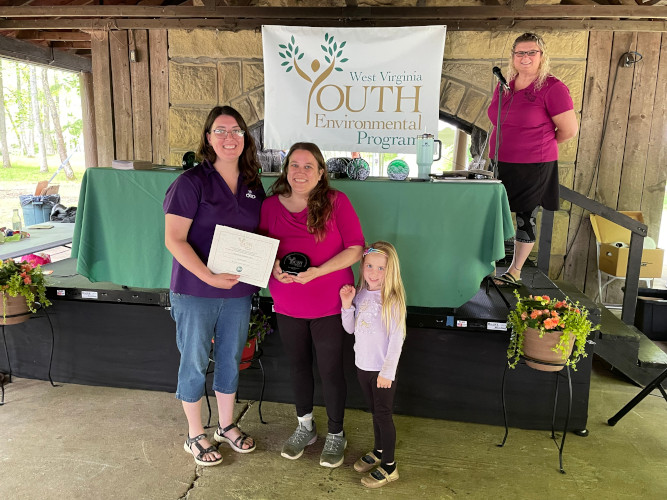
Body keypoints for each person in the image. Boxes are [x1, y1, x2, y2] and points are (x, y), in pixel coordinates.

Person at [163, 105, 265, 467]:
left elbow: (261, 237)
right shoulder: (190, 183)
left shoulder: (254, 185)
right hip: (196, 291)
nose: (229, 137)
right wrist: (208, 275)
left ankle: (225, 425)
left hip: (237, 293)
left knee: (229, 360)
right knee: (192, 361)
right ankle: (194, 434)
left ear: (245, 138)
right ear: (208, 138)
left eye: (236, 131)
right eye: (220, 130)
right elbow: (174, 239)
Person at [259, 142, 364, 468]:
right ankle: (306, 426)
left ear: (321, 173)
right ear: (285, 169)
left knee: (331, 370)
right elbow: (262, 248)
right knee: (298, 367)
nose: (300, 172)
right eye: (294, 165)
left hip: (330, 302)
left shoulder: (337, 202)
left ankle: (336, 432)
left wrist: (318, 271)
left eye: (308, 166)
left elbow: (356, 249)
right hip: (288, 302)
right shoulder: (270, 206)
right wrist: (273, 265)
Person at [487, 32, 579, 286]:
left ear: (542, 56)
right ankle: (488, 267)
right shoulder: (504, 85)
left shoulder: (553, 88)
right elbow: (496, 120)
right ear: (513, 57)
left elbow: (569, 130)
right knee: (493, 215)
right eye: (520, 53)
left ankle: (514, 271)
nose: (525, 57)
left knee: (525, 217)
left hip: (534, 164)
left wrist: (537, 145)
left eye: (531, 52)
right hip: (499, 162)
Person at [340, 241, 406, 489]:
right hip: (363, 366)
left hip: (382, 371)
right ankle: (379, 450)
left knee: (383, 415)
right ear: (362, 266)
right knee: (374, 413)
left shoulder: (393, 299)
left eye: (381, 268)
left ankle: (390, 466)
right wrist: (347, 304)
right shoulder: (360, 293)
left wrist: (387, 372)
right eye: (370, 265)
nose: (374, 272)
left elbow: (397, 339)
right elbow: (350, 329)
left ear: (391, 271)